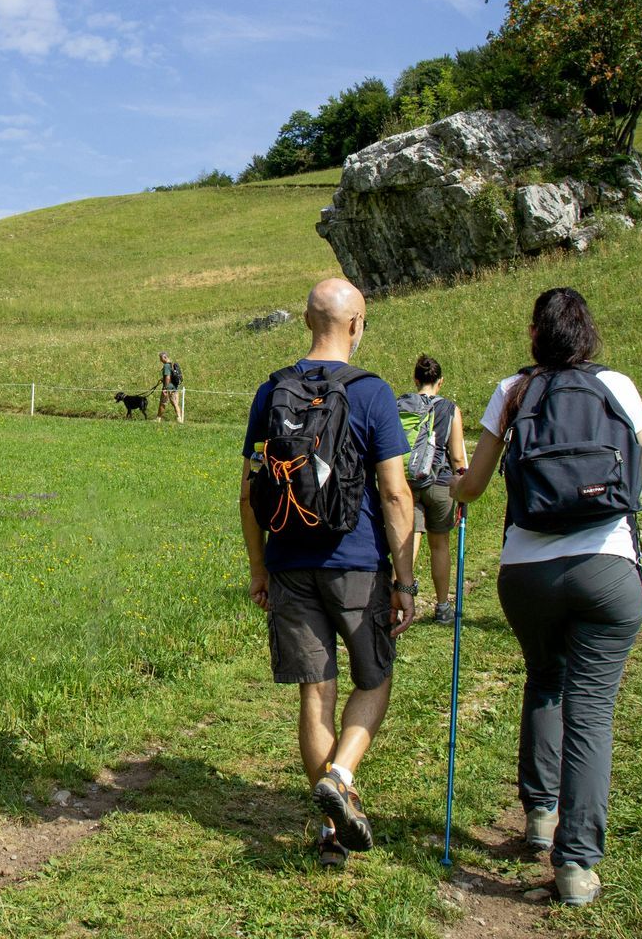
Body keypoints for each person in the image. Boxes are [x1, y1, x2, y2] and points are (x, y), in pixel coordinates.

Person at [449, 287, 642, 908]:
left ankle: (540, 817)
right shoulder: (617, 386)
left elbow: (471, 488)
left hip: (527, 571)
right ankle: (575, 865)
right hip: (607, 567)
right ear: (588, 334)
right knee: (593, 710)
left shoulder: (512, 392)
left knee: (545, 679)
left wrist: (454, 484)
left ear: (534, 335)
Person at [240, 278, 419, 871]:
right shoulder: (371, 393)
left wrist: (259, 566)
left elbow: (249, 492)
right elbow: (394, 493)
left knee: (315, 694)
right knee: (375, 679)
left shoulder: (272, 391)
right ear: (356, 323)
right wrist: (406, 579)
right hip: (357, 563)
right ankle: (342, 776)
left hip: (290, 562)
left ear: (308, 323)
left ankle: (329, 831)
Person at [398, 355, 468, 623]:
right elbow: (459, 457)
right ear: (440, 382)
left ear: (416, 380)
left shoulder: (400, 405)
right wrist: (463, 487)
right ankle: (442, 607)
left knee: (407, 542)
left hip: (407, 482)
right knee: (440, 545)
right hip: (440, 483)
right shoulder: (451, 409)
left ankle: (400, 600)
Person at [157, 351, 185, 423]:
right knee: (175, 403)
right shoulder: (172, 364)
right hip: (175, 387)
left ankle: (158, 419)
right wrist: (162, 379)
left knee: (163, 403)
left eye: (161, 358)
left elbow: (168, 377)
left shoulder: (166, 366)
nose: (160, 360)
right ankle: (179, 419)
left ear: (165, 357)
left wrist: (165, 388)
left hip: (168, 388)